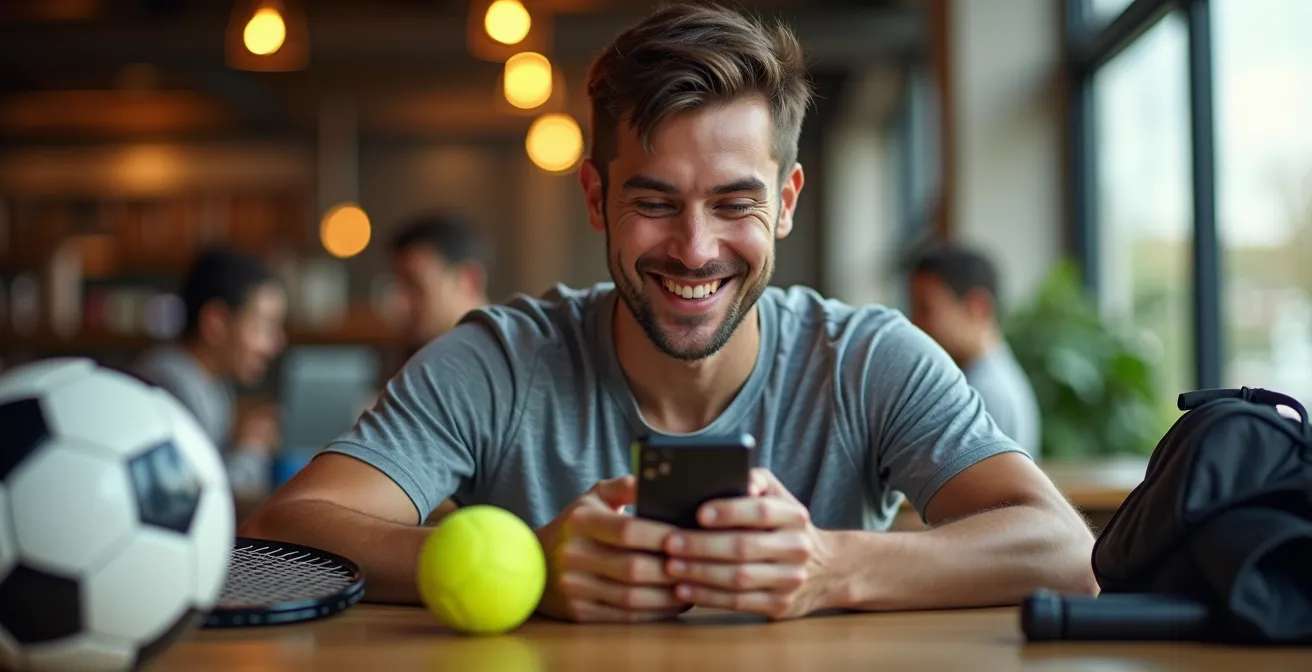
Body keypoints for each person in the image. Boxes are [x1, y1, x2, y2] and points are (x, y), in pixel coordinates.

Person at [241, 4, 1096, 622]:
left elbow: (1062, 550)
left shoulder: (869, 357)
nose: (694, 249)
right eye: (655, 201)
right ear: (596, 195)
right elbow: (289, 530)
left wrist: (834, 565)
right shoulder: (499, 359)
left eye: (734, 203)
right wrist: (532, 561)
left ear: (787, 201)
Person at [136, 248, 287, 497]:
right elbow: (199, 497)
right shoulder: (169, 386)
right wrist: (251, 450)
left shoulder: (213, 386)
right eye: (263, 327)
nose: (276, 344)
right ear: (215, 322)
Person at [906, 244, 1042, 454]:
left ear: (977, 307)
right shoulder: (986, 381)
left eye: (925, 308)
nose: (913, 322)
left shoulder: (984, 395)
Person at [389, 213, 490, 357]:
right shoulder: (414, 360)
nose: (399, 305)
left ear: (469, 281)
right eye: (400, 288)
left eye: (415, 286)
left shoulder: (512, 365)